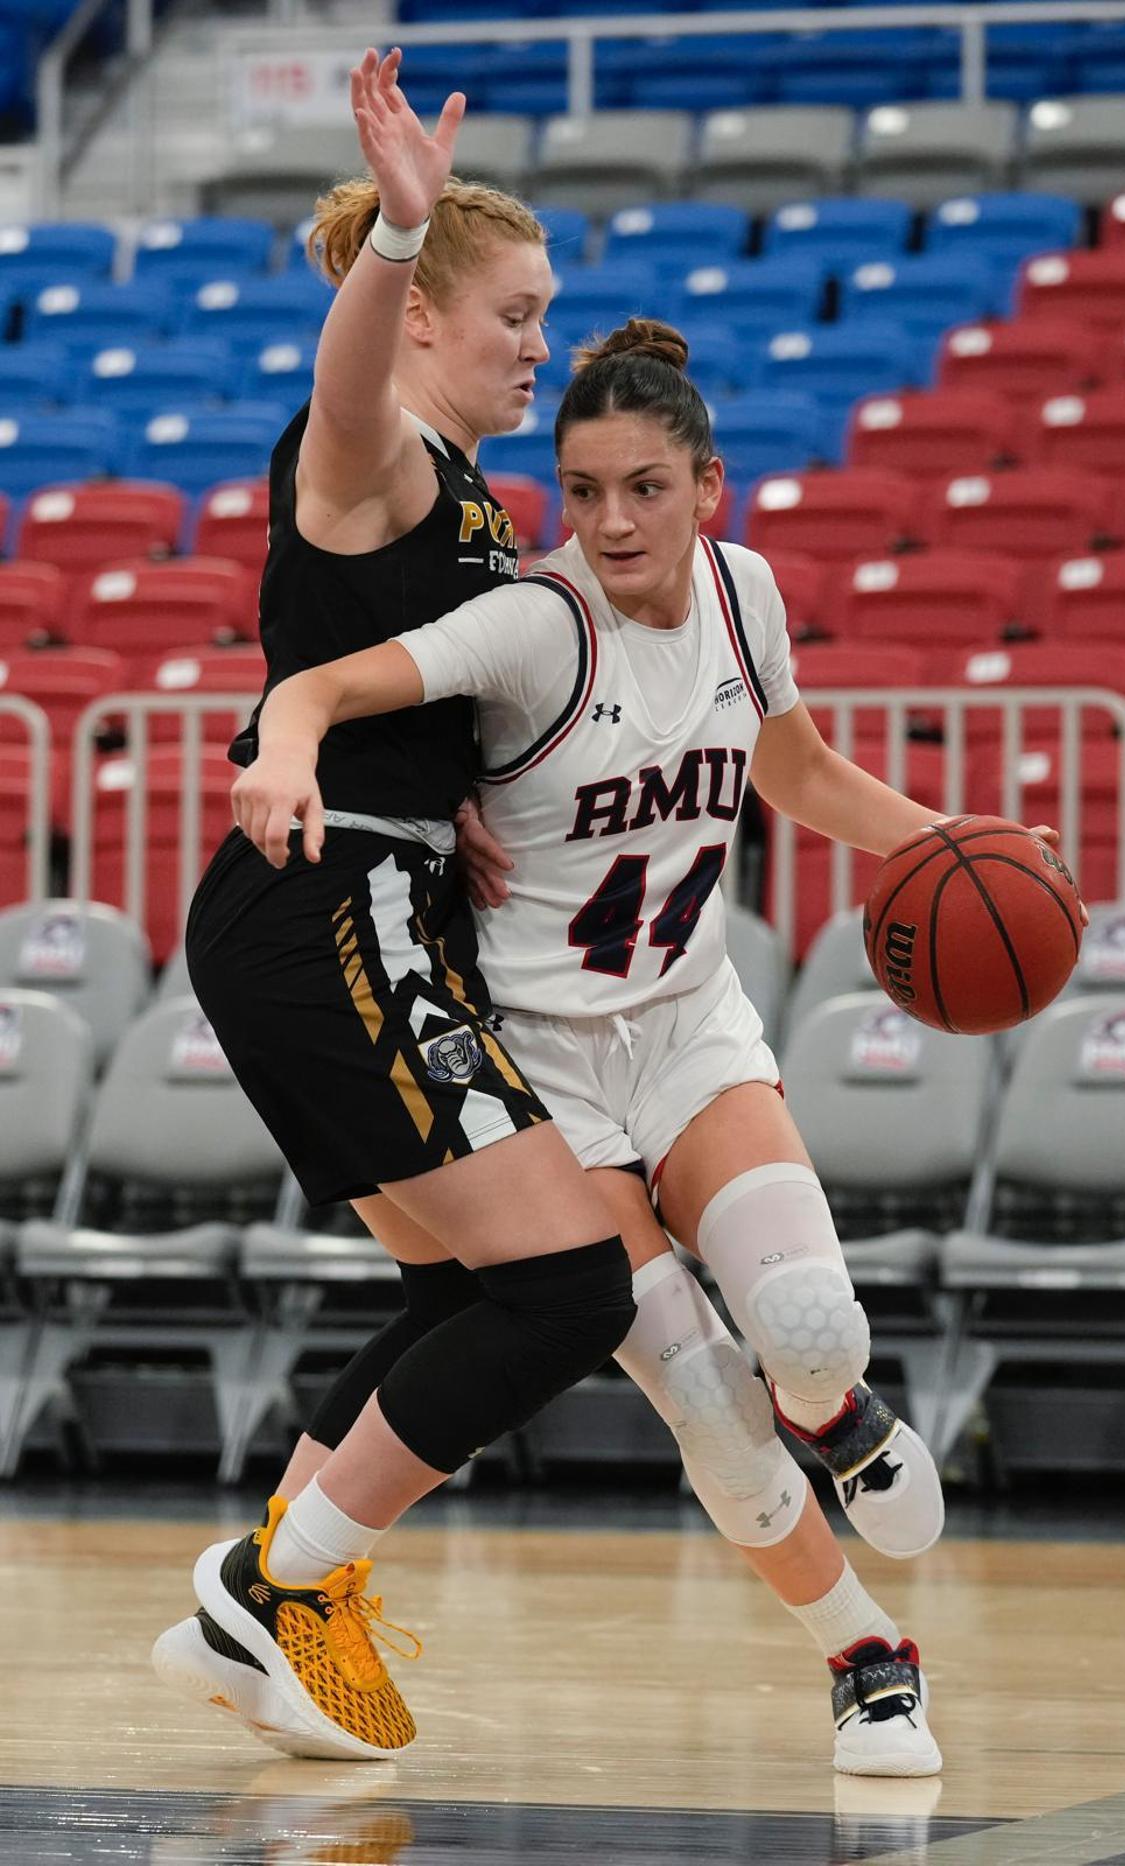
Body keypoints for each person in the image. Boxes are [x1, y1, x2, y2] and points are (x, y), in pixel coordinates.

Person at [161, 316, 1074, 1778]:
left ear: (708, 486)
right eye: (583, 490)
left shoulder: (746, 593)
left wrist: (954, 841)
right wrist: (283, 738)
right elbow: (332, 678)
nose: (611, 519)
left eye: (646, 487)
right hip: (547, 1068)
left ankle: (829, 1404)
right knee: (699, 1398)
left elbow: (796, 767)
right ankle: (866, 1654)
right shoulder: (533, 621)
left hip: (690, 1023)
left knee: (813, 1326)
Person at [150, 49, 640, 1764]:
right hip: (323, 905)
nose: (541, 342)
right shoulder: (381, 451)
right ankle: (287, 1579)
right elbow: (348, 396)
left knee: (470, 1293)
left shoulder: (483, 501)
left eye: (550, 313)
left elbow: (424, 684)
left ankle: (276, 1589)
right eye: (516, 310)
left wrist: (462, 809)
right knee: (573, 1289)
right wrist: (398, 239)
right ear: (429, 316)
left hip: (377, 896)